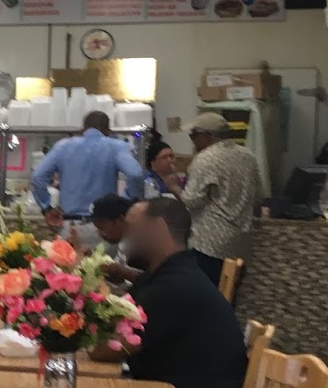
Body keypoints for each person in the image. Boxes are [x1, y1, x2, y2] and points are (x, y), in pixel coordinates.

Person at [94, 197, 248, 388]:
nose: (125, 240)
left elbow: (106, 348)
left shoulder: (174, 288)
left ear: (159, 230)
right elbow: (114, 319)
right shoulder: (164, 276)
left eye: (132, 229)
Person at [159, 113, 260, 287]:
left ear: (205, 136)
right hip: (240, 244)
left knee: (204, 299)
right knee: (227, 298)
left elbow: (191, 201)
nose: (192, 141)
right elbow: (258, 195)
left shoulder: (206, 159)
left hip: (210, 244)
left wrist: (174, 186)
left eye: (193, 136)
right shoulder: (248, 156)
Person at [30, 110, 144, 250]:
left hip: (70, 226)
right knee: (106, 270)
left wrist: (46, 208)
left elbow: (37, 176)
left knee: (68, 269)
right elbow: (135, 174)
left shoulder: (63, 146)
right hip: (105, 227)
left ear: (82, 129)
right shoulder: (115, 146)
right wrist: (127, 203)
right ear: (108, 131)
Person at [90, 192, 140, 285]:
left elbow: (156, 280)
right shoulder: (123, 243)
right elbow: (120, 281)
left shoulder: (145, 242)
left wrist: (124, 273)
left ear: (120, 220)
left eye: (103, 229)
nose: (101, 235)